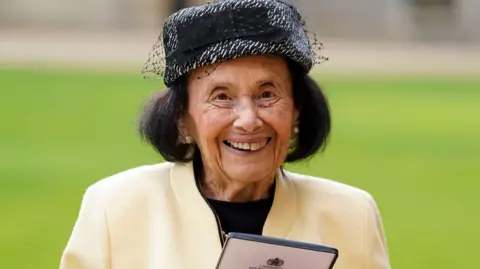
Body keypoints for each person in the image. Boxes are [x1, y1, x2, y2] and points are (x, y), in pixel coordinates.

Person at [60, 0, 390, 268]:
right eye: (221, 97)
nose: (248, 120)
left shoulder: (351, 215)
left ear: (297, 110)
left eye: (267, 94)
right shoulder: (114, 208)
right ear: (182, 118)